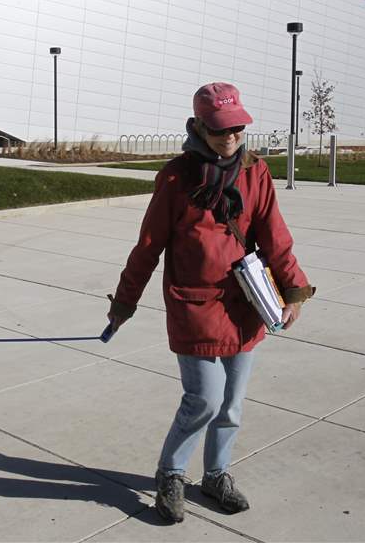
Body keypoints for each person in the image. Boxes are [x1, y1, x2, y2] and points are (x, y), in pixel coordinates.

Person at [107, 81, 315, 523]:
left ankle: (217, 474)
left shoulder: (255, 172)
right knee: (203, 398)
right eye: (221, 129)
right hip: (194, 303)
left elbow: (274, 236)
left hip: (245, 304)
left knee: (232, 403)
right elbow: (148, 246)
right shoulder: (177, 177)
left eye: (237, 127)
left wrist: (293, 290)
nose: (231, 136)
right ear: (200, 126)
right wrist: (125, 303)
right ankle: (171, 474)